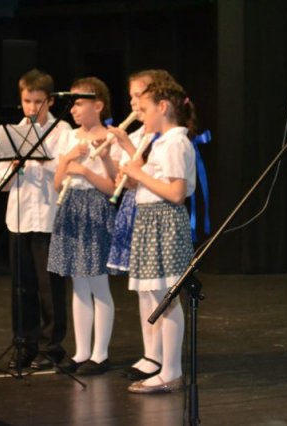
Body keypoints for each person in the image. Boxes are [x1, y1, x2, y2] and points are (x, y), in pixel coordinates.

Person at [109, 77, 197, 393]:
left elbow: (176, 193)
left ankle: (171, 371)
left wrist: (138, 173)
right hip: (150, 220)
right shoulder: (161, 142)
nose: (140, 115)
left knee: (167, 299)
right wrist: (134, 175)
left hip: (165, 221)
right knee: (157, 297)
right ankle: (162, 365)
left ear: (162, 107)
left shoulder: (175, 142)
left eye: (144, 109)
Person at [0, 69, 71, 370]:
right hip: (19, 218)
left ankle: (51, 347)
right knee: (21, 287)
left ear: (50, 101)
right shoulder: (13, 132)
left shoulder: (62, 131)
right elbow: (1, 183)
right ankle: (23, 344)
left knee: (50, 288)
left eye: (38, 101)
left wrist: (43, 160)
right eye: (27, 101)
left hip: (50, 218)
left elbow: (67, 174)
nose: (31, 107)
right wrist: (14, 166)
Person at [105, 70, 176, 382]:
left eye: (139, 96)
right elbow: (132, 180)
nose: (134, 103)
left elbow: (158, 178)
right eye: (132, 96)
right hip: (136, 209)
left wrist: (128, 151)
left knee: (159, 290)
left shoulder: (165, 138)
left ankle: (163, 358)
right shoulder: (141, 134)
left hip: (156, 212)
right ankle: (151, 353)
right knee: (143, 289)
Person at [47, 77, 117, 376]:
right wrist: (67, 161)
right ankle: (81, 351)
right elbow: (57, 183)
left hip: (96, 209)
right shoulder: (68, 137)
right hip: (70, 208)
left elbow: (113, 188)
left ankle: (100, 354)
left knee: (98, 283)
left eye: (77, 103)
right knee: (78, 284)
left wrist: (87, 171)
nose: (73, 110)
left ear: (97, 105)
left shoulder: (111, 137)